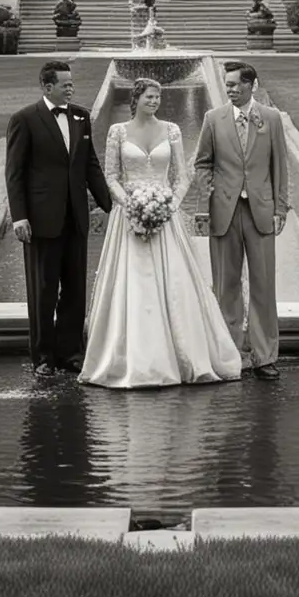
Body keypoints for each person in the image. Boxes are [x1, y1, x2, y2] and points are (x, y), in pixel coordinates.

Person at [80, 78, 242, 389]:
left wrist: (168, 205)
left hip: (166, 215)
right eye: (150, 96)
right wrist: (132, 204)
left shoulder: (172, 130)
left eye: (158, 97)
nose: (155, 101)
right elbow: (111, 176)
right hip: (128, 217)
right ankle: (134, 361)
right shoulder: (117, 132)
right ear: (136, 98)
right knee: (134, 283)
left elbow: (183, 175)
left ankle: (182, 356)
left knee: (175, 283)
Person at [5, 62, 113, 379]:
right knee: (43, 291)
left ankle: (70, 354)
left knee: (75, 290)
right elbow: (14, 173)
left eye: (71, 82)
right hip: (40, 221)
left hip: (75, 219)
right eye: (64, 83)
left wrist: (111, 206)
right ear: (46, 86)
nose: (70, 87)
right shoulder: (24, 119)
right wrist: (19, 216)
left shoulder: (81, 116)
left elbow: (90, 164)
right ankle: (42, 357)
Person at [192, 63, 290, 380]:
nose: (229, 89)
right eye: (227, 84)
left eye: (235, 84)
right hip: (224, 211)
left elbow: (281, 168)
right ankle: (230, 355)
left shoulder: (271, 119)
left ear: (251, 85)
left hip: (261, 211)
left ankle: (264, 357)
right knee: (226, 287)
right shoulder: (213, 118)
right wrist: (210, 193)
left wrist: (281, 209)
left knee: (263, 286)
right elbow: (202, 163)